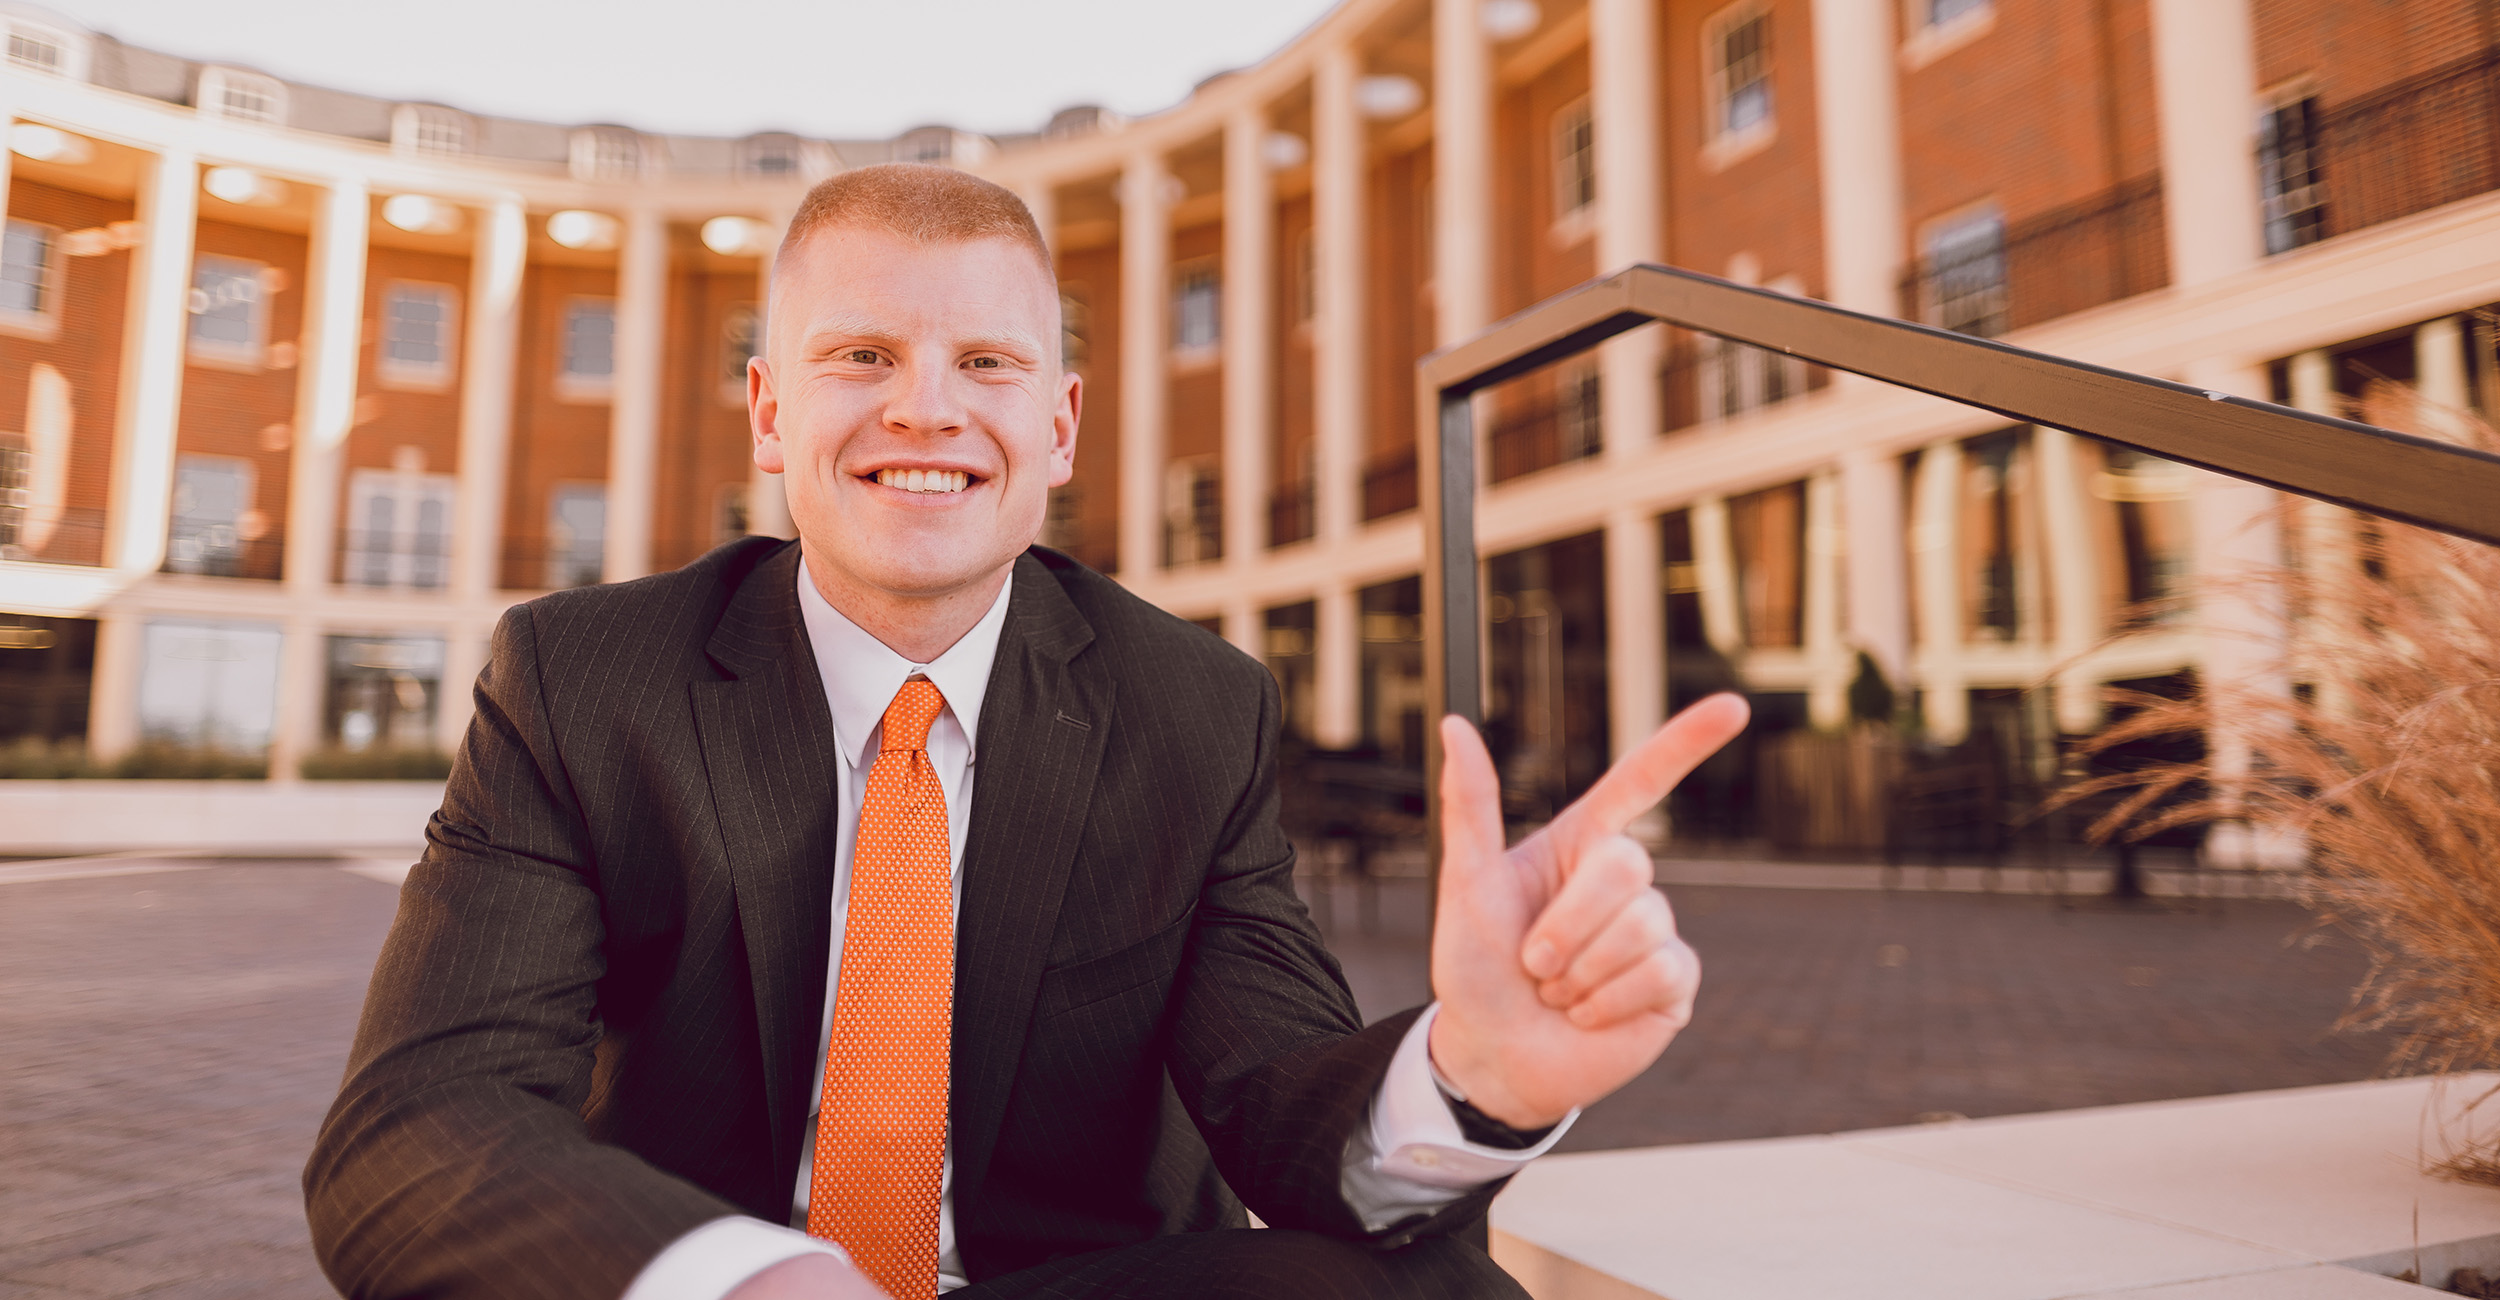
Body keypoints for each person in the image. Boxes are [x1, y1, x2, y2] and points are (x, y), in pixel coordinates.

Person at [303, 164, 1748, 1300]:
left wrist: (1474, 1074)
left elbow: (1281, 1114)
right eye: (860, 354)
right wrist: (750, 1279)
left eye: (987, 364)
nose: (924, 409)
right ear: (768, 409)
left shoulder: (1193, 706)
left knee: (1431, 1280)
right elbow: (418, 1128)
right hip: (713, 1279)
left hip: (1062, 1288)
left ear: (1058, 427)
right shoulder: (581, 680)